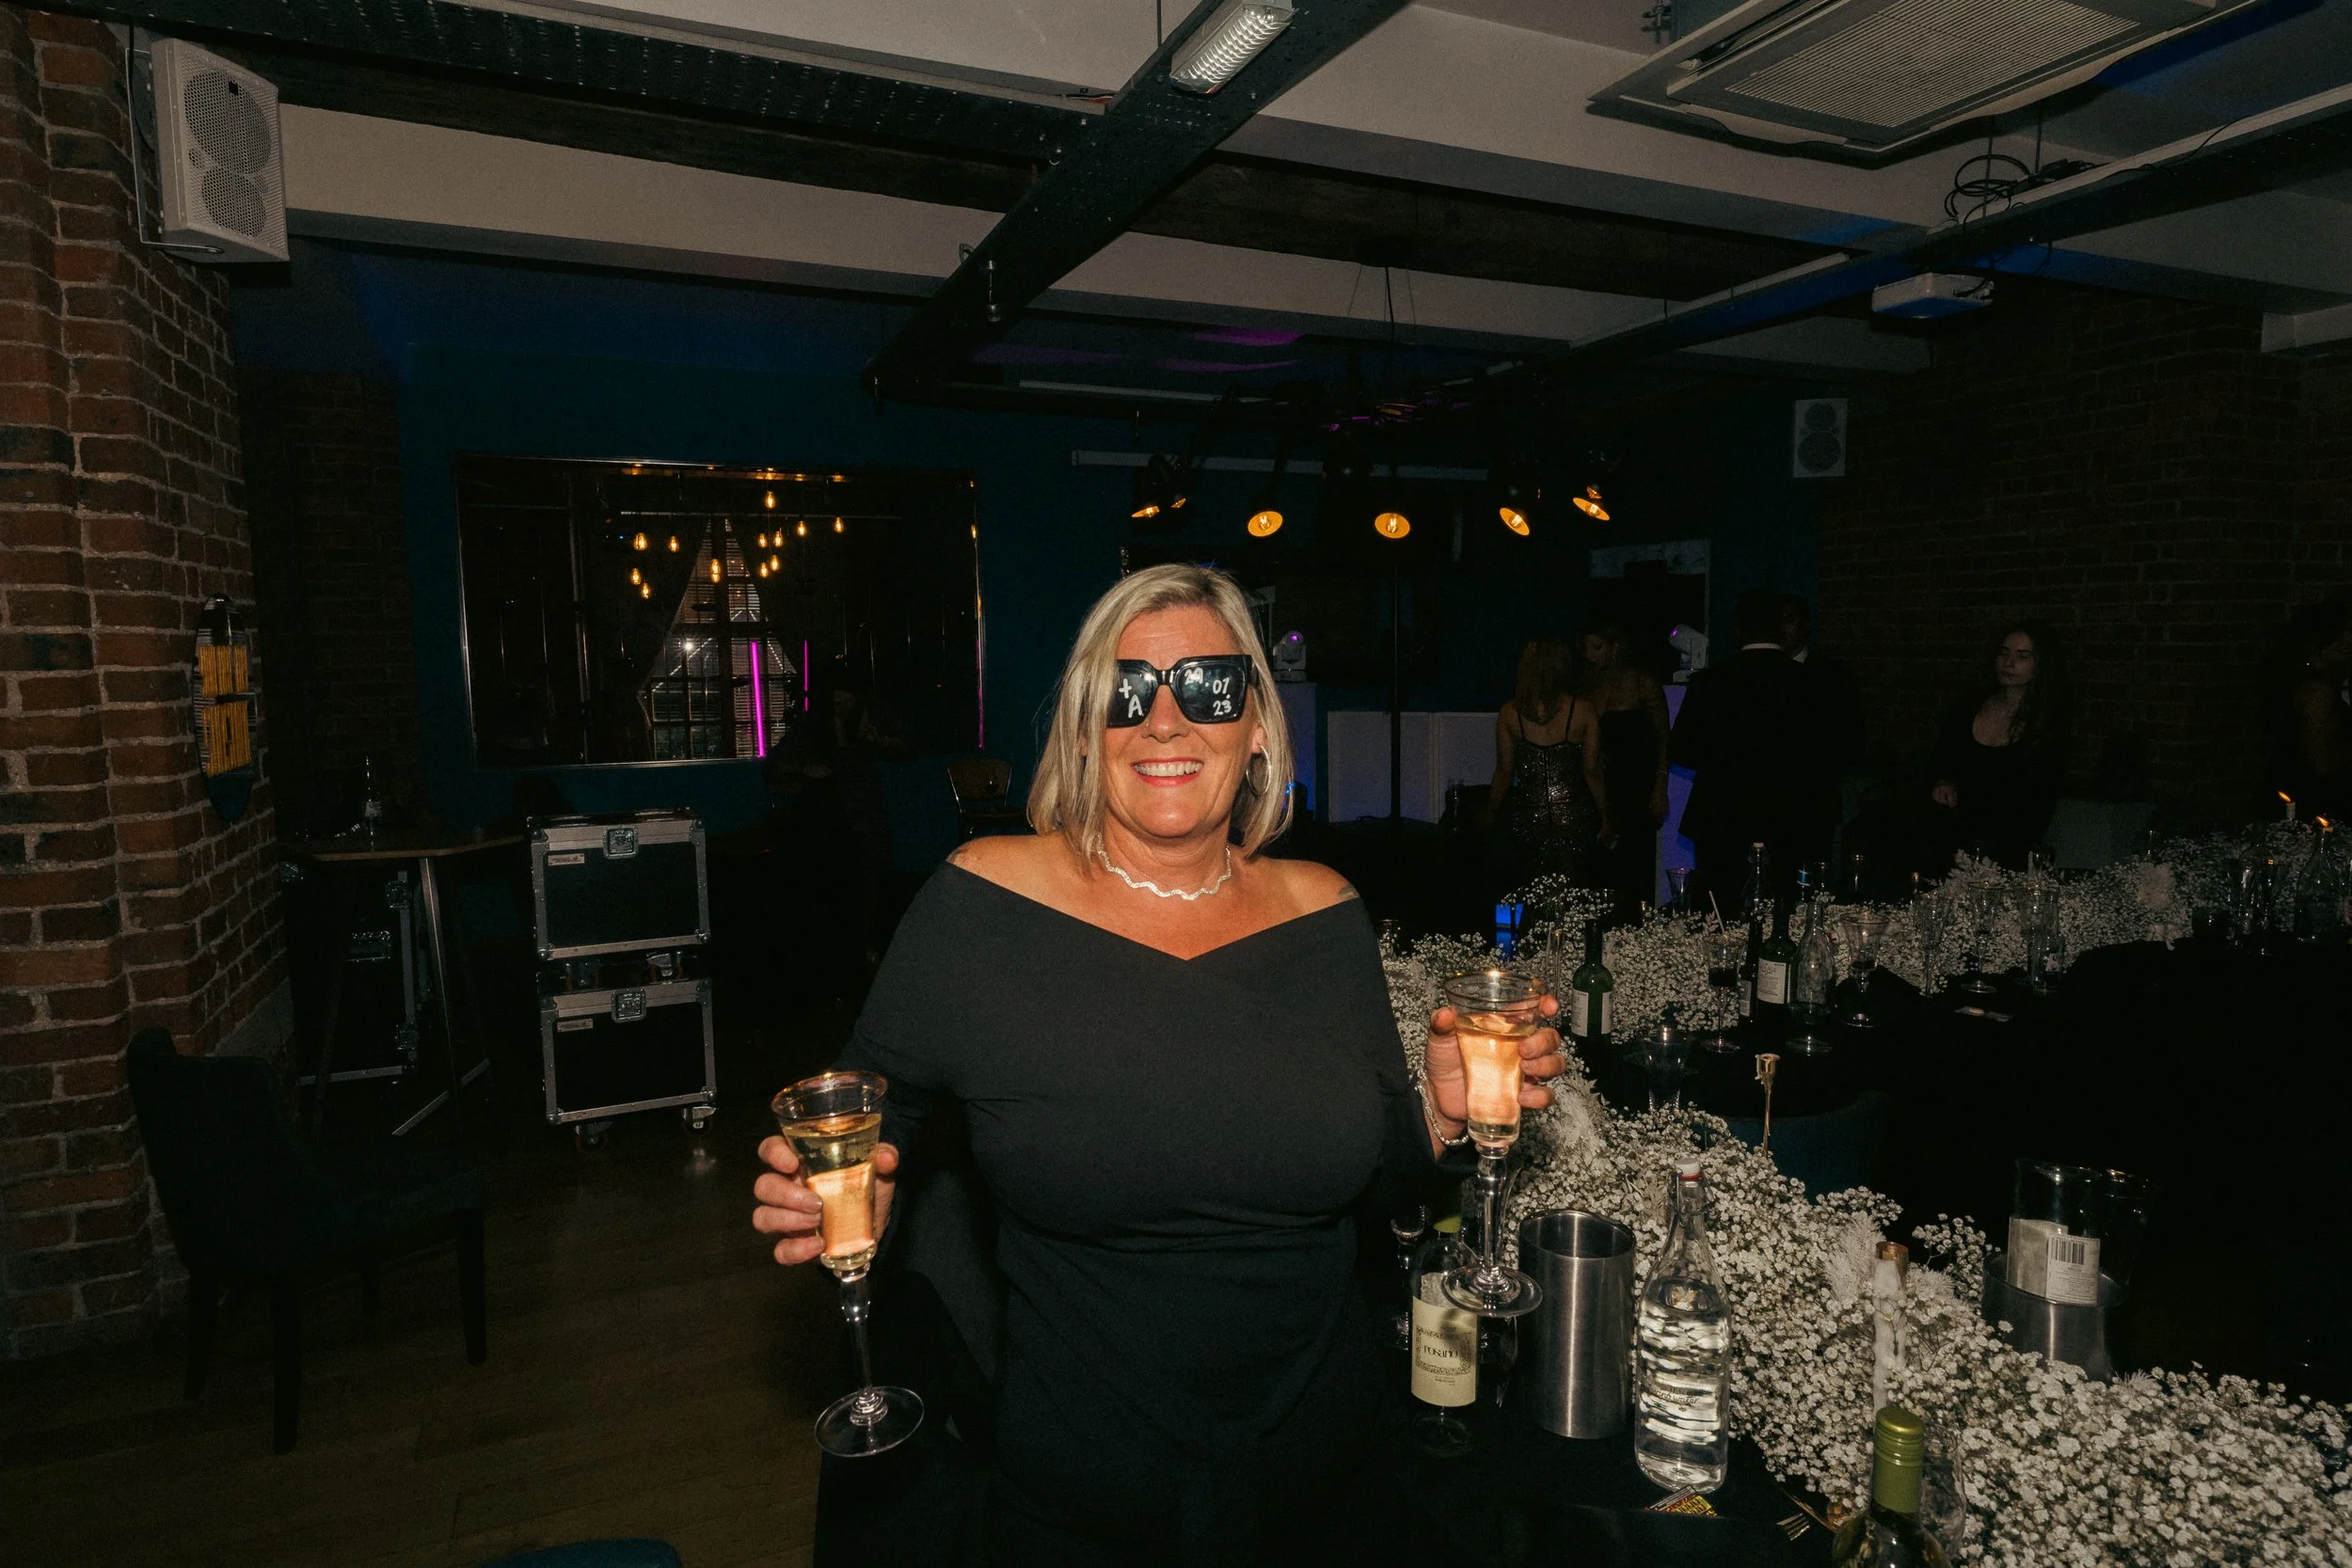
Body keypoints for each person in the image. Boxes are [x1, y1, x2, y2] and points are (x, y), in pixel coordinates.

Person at [752, 563, 1566, 1565]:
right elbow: (874, 1111)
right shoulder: (983, 903)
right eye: (1127, 693)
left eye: (1209, 688)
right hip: (1086, 1493)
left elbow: (1383, 1185)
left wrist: (1439, 1118)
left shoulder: (1325, 910)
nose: (1167, 721)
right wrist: (840, 1194)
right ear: (1087, 730)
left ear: (1258, 725)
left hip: (1330, 1475)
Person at [1669, 588, 1834, 911]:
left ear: (1738, 630)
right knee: (1783, 914)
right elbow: (1827, 754)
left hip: (1722, 817)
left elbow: (1682, 750)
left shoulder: (1710, 682)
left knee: (1720, 914)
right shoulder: (1811, 683)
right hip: (1790, 816)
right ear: (1779, 629)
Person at [1929, 621, 2073, 868]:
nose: (2008, 663)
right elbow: (1942, 760)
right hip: (1951, 837)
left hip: (2008, 848)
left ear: (2040, 664)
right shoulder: (1969, 708)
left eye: (2022, 656)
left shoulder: (2046, 727)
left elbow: (2037, 802)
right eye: (2004, 653)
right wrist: (1944, 782)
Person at [1483, 636, 1606, 892]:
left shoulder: (1510, 713)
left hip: (1528, 820)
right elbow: (1592, 771)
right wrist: (1607, 817)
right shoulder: (1583, 711)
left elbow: (1505, 772)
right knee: (1572, 899)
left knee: (1532, 894)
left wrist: (1490, 815)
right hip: (1573, 818)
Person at [1578, 621, 1671, 914]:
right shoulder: (1586, 688)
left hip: (1637, 786)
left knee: (1636, 870)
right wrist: (1588, 749)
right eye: (1585, 649)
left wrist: (1660, 786)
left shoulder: (1643, 683)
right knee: (1601, 870)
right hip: (1600, 788)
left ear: (1615, 647)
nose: (1590, 655)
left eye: (1597, 647)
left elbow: (1663, 739)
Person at [2266, 600, 2352, 821]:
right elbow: (2321, 763)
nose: (2347, 642)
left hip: (2291, 791)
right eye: (2338, 635)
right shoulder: (2317, 690)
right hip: (2312, 802)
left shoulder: (2296, 676)